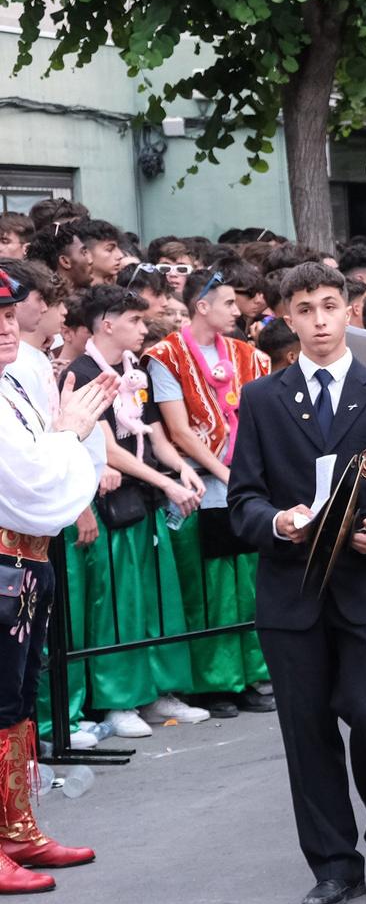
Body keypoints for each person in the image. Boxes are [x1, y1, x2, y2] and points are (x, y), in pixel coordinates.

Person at [228, 261, 366, 904]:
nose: (318, 321)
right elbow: (242, 498)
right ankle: (334, 863)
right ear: (286, 316)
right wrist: (277, 522)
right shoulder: (262, 399)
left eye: (330, 306)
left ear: (350, 313)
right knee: (305, 729)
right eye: (304, 309)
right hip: (292, 590)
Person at [0, 269, 115, 894]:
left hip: (23, 559)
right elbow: (32, 477)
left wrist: (68, 429)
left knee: (16, 700)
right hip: (4, 558)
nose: (6, 324)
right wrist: (69, 430)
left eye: (9, 311)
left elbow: (44, 466)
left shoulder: (10, 385)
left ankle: (17, 828)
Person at [64, 285, 209, 740]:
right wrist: (164, 480)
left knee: (156, 599)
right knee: (120, 605)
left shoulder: (135, 370)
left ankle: (157, 692)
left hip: (143, 498)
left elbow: (154, 431)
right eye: (136, 321)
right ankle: (118, 700)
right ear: (108, 323)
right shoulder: (84, 371)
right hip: (113, 505)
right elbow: (106, 445)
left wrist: (180, 467)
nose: (145, 329)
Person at [147, 268, 276, 720]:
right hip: (204, 485)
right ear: (201, 306)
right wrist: (227, 472)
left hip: (244, 486)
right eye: (227, 303)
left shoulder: (249, 355)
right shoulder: (165, 356)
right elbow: (179, 430)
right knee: (209, 589)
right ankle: (214, 683)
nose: (237, 311)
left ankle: (254, 675)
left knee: (247, 583)